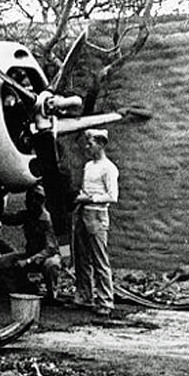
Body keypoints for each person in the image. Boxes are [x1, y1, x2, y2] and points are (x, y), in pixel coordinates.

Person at [71, 129, 118, 315]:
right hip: (83, 214)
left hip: (97, 216)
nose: (87, 147)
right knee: (82, 258)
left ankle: (106, 301)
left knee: (100, 259)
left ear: (101, 144)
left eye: (90, 144)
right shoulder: (89, 166)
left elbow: (112, 196)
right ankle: (84, 296)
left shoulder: (109, 168)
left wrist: (89, 199)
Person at [0, 182, 62, 301]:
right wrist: (0, 203)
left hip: (45, 257)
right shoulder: (28, 215)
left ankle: (52, 295)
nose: (30, 203)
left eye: (34, 199)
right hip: (30, 254)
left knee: (51, 265)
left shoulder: (46, 220)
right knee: (1, 262)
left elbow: (50, 249)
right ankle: (21, 289)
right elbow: (7, 219)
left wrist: (28, 261)